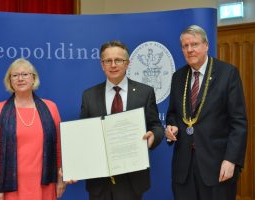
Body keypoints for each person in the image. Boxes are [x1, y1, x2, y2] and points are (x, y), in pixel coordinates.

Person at [165, 25, 248, 200]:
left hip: (217, 166)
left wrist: (231, 160)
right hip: (184, 168)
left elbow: (238, 123)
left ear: (206, 46)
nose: (189, 50)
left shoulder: (227, 74)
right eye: (185, 46)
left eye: (194, 44)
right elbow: (172, 113)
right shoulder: (178, 77)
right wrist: (171, 127)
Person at [80, 40, 164, 200]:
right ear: (102, 64)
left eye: (118, 60)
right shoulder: (88, 95)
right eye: (108, 61)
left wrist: (153, 136)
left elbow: (156, 126)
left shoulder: (144, 93)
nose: (113, 65)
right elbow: (83, 134)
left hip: (132, 179)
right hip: (99, 180)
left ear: (127, 63)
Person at [0, 58, 66, 200]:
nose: (20, 79)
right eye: (15, 75)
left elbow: (59, 147)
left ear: (34, 79)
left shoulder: (51, 108)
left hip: (44, 186)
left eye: (25, 74)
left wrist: (61, 179)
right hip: (8, 188)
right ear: (10, 81)